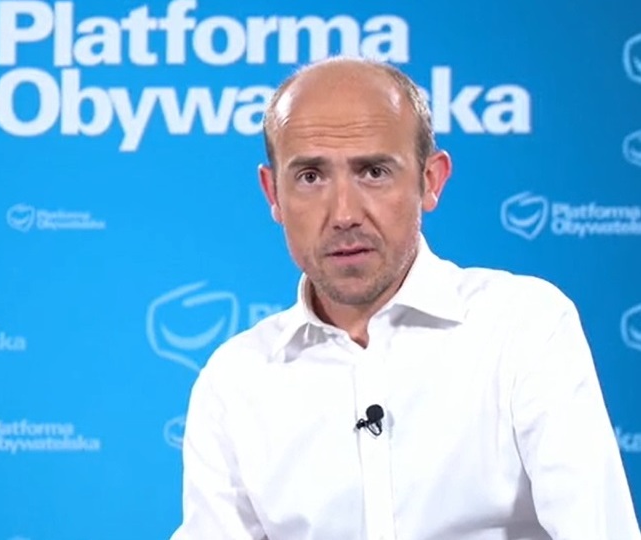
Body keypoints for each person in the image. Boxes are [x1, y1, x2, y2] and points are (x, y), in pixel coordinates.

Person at [168, 56, 641, 540]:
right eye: (310, 176)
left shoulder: (524, 329)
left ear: (430, 180)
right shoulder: (234, 382)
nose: (344, 214)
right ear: (273, 193)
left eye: (373, 172)